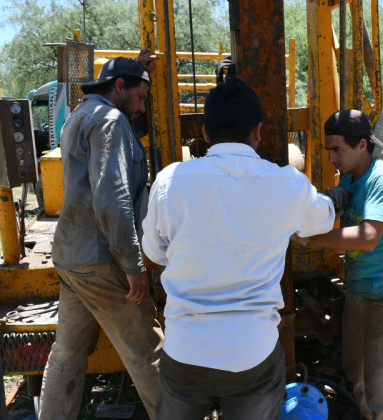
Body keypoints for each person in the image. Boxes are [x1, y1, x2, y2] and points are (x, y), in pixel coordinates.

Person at [141, 78, 346, 420]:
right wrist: (338, 196)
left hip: (185, 349)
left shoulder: (169, 181)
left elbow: (156, 253)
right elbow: (322, 220)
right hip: (252, 353)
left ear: (205, 133)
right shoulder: (288, 184)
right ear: (259, 131)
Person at [39, 53, 164, 420]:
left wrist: (138, 64)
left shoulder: (79, 115)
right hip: (102, 260)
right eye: (140, 97)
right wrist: (133, 264)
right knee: (147, 352)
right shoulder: (110, 121)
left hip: (70, 257)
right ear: (119, 87)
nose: (142, 108)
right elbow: (112, 198)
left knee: (67, 353)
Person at [304, 109, 383, 420]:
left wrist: (311, 237)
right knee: (360, 378)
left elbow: (368, 237)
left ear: (363, 145)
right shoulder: (352, 178)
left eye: (337, 149)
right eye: (328, 149)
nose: (331, 158)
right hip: (360, 292)